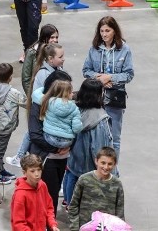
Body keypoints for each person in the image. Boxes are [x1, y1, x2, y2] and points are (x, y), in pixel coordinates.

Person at [82, 16, 133, 161]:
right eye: (102, 31)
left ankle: (112, 169)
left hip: (115, 98)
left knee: (114, 136)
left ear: (114, 31)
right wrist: (100, 79)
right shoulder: (95, 48)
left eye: (107, 31)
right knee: (96, 133)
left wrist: (110, 77)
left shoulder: (124, 49)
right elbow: (86, 70)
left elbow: (128, 75)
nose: (104, 34)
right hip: (96, 97)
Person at [60, 78, 114, 207]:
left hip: (73, 160)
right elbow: (100, 148)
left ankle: (69, 205)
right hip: (90, 167)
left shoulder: (73, 110)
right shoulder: (100, 119)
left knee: (71, 176)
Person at [28, 69, 73, 212]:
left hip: (63, 157)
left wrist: (69, 146)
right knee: (49, 196)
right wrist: (56, 149)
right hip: (46, 158)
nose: (70, 95)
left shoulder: (68, 106)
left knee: (53, 193)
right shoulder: (38, 105)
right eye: (67, 90)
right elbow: (35, 134)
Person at [68, 146, 125, 230]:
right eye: (103, 163)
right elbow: (73, 206)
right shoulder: (84, 179)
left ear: (114, 164)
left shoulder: (117, 184)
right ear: (96, 161)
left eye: (110, 164)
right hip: (85, 227)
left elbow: (120, 211)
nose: (106, 167)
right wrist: (75, 228)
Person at [9, 154, 59, 231]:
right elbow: (18, 223)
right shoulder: (20, 195)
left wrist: (52, 224)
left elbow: (49, 207)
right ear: (24, 172)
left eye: (39, 170)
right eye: (32, 171)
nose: (37, 174)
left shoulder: (42, 185)